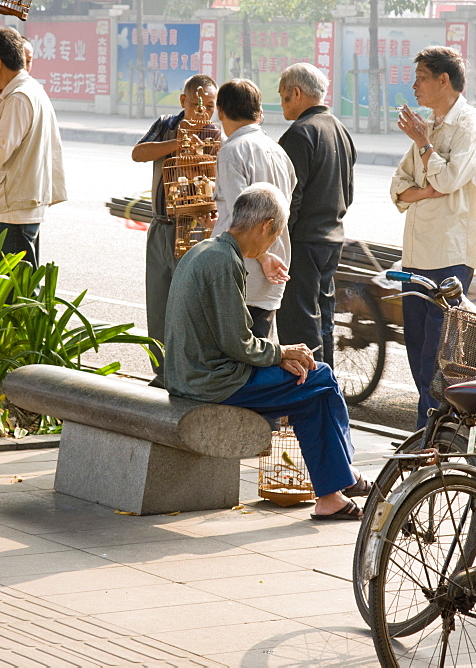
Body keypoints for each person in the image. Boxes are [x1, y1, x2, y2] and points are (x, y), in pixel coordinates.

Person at [165, 183, 370, 520]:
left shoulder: (206, 250)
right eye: (276, 234)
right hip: (210, 382)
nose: (273, 242)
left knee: (310, 392)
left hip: (190, 374)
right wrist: (282, 352)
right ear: (265, 227)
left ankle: (332, 494)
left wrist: (281, 356)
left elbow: (232, 340)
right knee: (320, 376)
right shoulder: (223, 262)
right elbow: (239, 343)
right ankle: (343, 478)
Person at [390, 46, 476, 429]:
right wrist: (423, 188)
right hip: (418, 253)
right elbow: (398, 187)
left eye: (420, 77)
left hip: (450, 254)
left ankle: (431, 436)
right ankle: (433, 430)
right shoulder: (430, 126)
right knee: (417, 349)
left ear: (443, 80)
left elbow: (450, 180)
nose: (414, 86)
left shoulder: (471, 125)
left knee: (438, 354)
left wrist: (424, 147)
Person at [131, 74, 218, 381]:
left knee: (189, 304)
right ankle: (162, 370)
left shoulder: (214, 135)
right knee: (157, 302)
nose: (203, 112)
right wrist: (176, 143)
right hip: (160, 225)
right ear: (183, 102)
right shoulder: (166, 124)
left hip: (193, 228)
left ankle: (187, 370)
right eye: (197, 105)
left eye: (209, 106)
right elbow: (138, 153)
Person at [276, 63, 356, 367]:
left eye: (284, 96)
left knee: (300, 323)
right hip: (331, 239)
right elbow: (348, 192)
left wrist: (278, 243)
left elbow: (290, 199)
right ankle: (327, 381)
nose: (283, 103)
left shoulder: (299, 134)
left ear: (296, 93)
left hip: (303, 241)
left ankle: (310, 393)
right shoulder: (339, 129)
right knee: (323, 318)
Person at [213, 79, 297, 338]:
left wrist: (263, 255)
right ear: (259, 114)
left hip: (244, 267)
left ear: (221, 111)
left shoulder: (231, 152)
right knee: (261, 346)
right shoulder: (278, 151)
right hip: (276, 264)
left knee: (237, 353)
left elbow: (243, 220)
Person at [0, 27, 67, 267]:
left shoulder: (18, 97)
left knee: (14, 289)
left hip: (11, 208)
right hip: (19, 204)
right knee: (22, 283)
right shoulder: (31, 90)